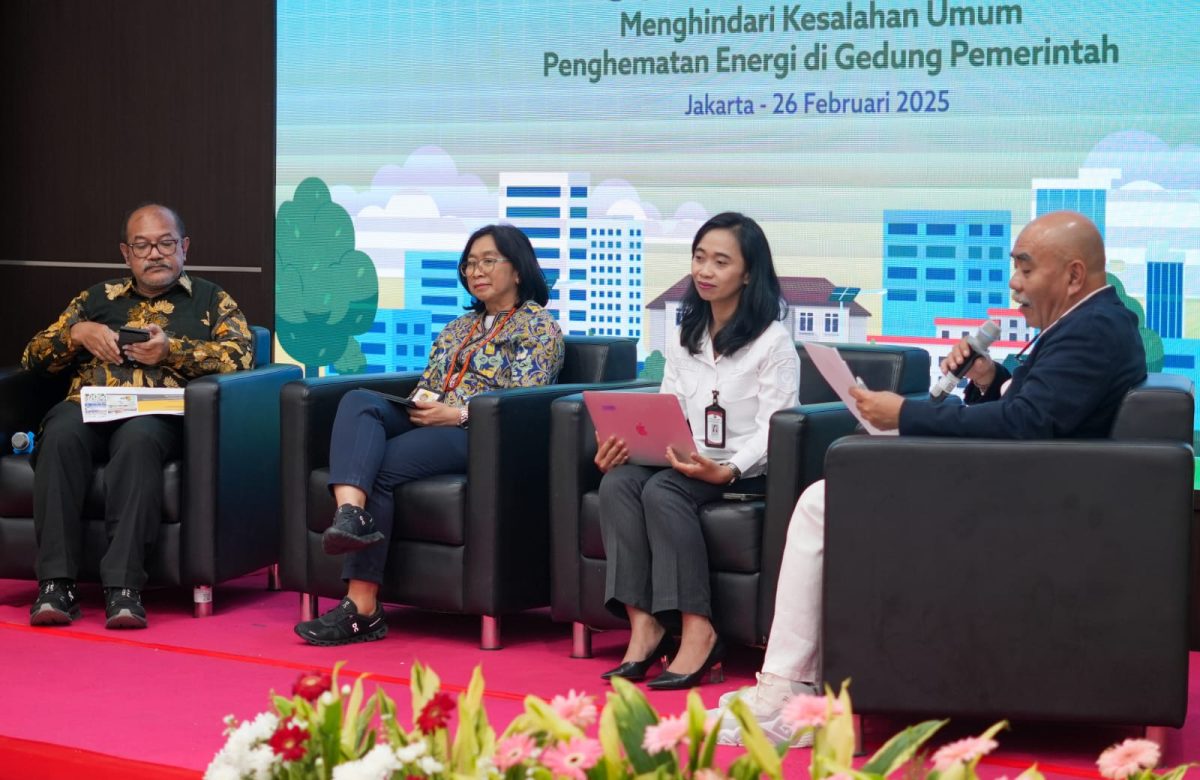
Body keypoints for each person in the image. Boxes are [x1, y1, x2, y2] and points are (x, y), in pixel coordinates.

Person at [710, 210, 1147, 744]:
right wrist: (987, 378)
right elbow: (1036, 413)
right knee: (830, 495)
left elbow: (1027, 424)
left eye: (1026, 269)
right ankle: (792, 686)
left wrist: (907, 414)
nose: (1014, 283)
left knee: (824, 503)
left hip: (1028, 508)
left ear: (1074, 275)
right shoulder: (1090, 323)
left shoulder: (1092, 330)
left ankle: (788, 695)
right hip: (1030, 489)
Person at [294, 223, 565, 646]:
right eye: (470, 263)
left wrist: (457, 414)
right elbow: (429, 384)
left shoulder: (538, 327)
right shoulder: (458, 327)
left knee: (380, 466)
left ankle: (362, 608)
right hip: (430, 415)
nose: (476, 271)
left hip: (480, 435)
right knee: (358, 401)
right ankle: (351, 515)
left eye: (488, 261)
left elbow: (523, 403)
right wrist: (419, 407)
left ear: (518, 270)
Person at [22, 203, 254, 630]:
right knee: (59, 435)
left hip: (157, 413)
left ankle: (124, 588)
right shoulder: (96, 299)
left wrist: (171, 350)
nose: (155, 254)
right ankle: (56, 584)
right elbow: (33, 358)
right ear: (126, 254)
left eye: (166, 243)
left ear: (184, 247)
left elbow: (240, 357)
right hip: (89, 405)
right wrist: (76, 334)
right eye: (143, 246)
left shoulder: (210, 300)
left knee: (137, 441)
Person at [594, 212, 800, 690]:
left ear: (748, 273)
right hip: (689, 462)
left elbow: (777, 428)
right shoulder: (686, 334)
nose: (705, 270)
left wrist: (728, 469)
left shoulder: (772, 342)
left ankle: (699, 629)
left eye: (721, 262)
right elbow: (669, 411)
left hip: (748, 472)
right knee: (619, 483)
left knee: (664, 491)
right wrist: (630, 447)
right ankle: (644, 624)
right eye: (699, 258)